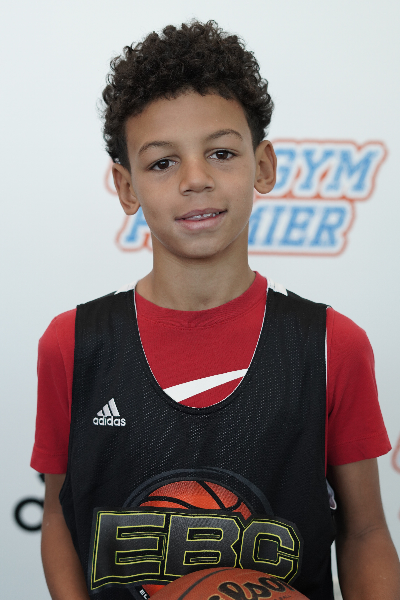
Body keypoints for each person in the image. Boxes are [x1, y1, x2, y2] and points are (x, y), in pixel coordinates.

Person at [31, 21, 400, 600]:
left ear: (263, 166)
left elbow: (365, 533)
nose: (196, 179)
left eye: (221, 153)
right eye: (162, 163)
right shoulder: (74, 343)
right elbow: (58, 514)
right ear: (126, 188)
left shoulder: (333, 345)